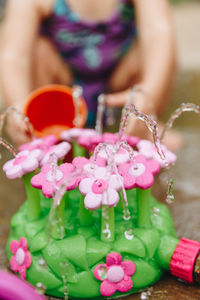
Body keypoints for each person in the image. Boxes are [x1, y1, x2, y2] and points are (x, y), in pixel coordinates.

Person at [0, 0, 182, 149]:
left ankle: (143, 124)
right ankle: (44, 129)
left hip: (120, 85)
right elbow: (14, 56)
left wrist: (150, 92)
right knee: (39, 53)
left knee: (158, 49)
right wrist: (18, 104)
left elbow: (158, 32)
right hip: (63, 90)